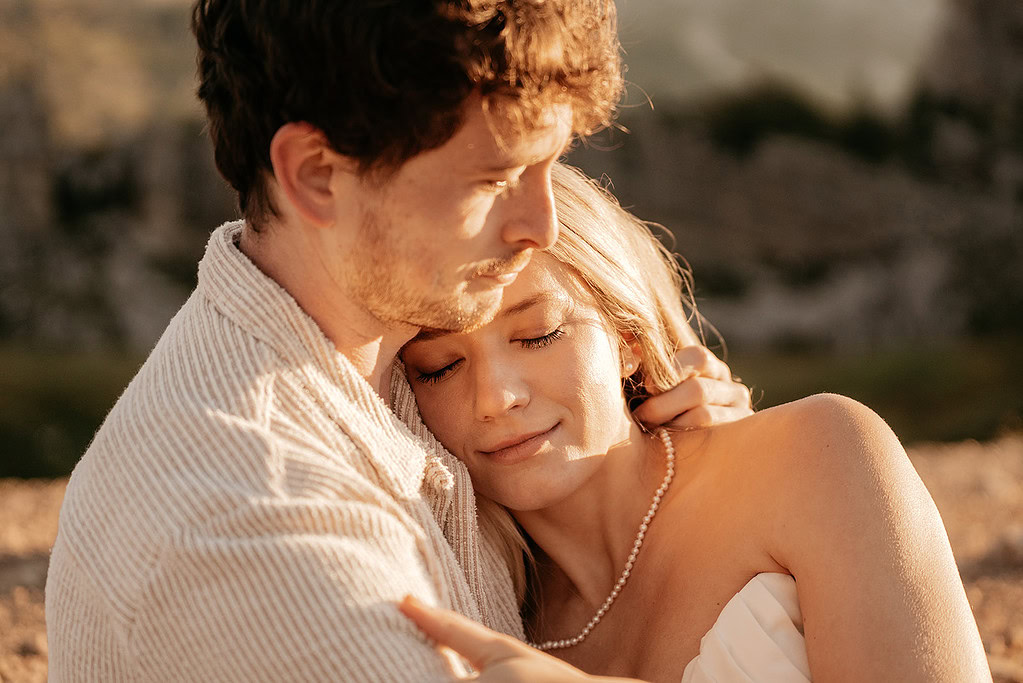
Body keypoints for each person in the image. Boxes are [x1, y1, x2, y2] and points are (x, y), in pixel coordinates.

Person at [45, 2, 753, 681]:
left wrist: (678, 473)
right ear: (317, 176)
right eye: (495, 177)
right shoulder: (255, 523)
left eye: (549, 165)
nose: (539, 223)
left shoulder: (386, 350)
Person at [396, 162, 993, 682]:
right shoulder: (487, 611)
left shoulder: (817, 457)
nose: (496, 397)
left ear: (626, 339)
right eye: (439, 367)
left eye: (538, 334)